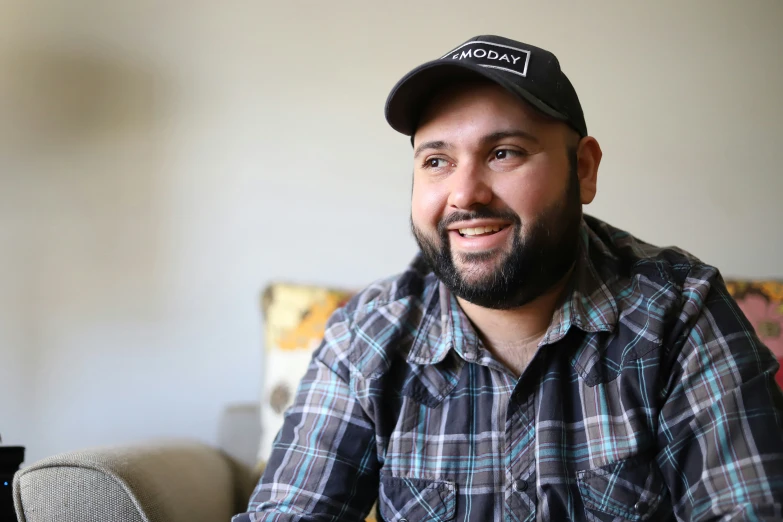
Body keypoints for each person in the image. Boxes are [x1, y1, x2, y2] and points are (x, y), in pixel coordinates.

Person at [234, 35, 783, 521]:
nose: (465, 193)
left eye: (503, 153)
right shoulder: (365, 337)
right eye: (436, 161)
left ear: (584, 169)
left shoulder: (680, 313)